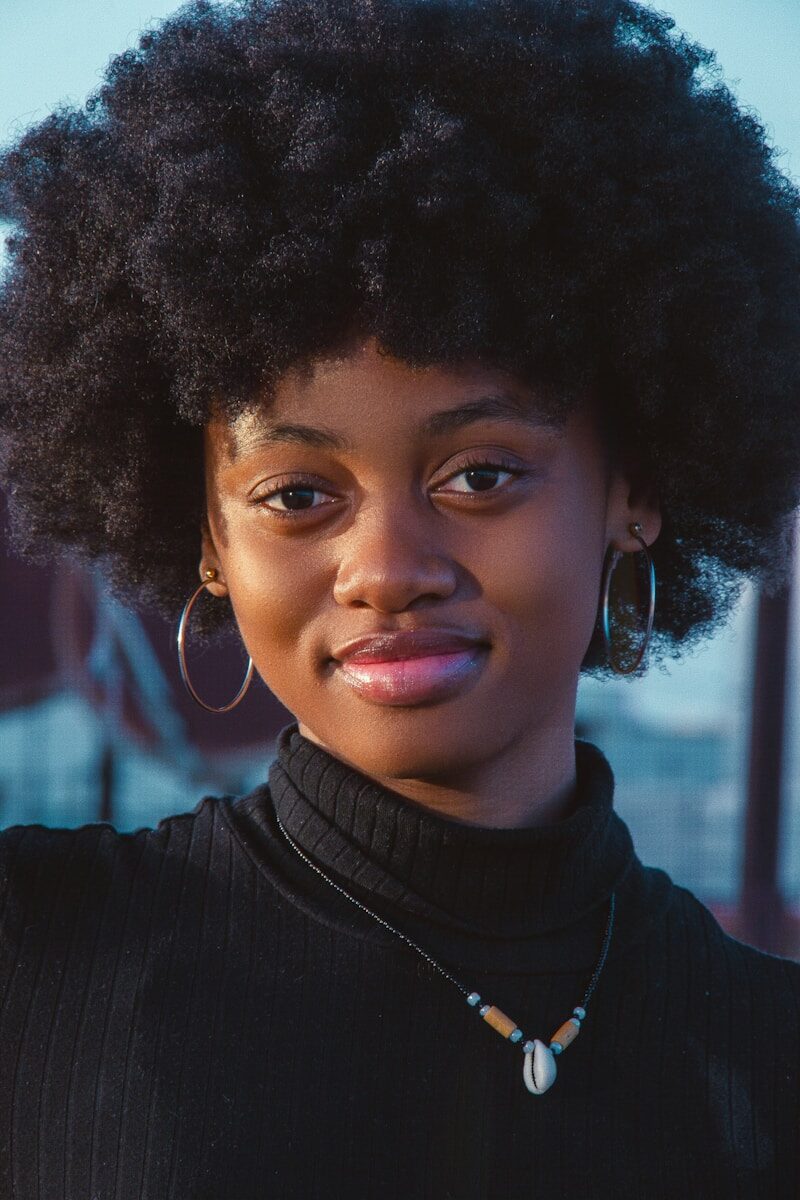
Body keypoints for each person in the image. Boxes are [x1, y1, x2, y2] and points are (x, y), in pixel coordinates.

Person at [1, 0, 799, 1195]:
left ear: (632, 490)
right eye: (295, 494)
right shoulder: (30, 962)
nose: (385, 567)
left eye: (479, 476)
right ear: (206, 537)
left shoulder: (769, 1059)